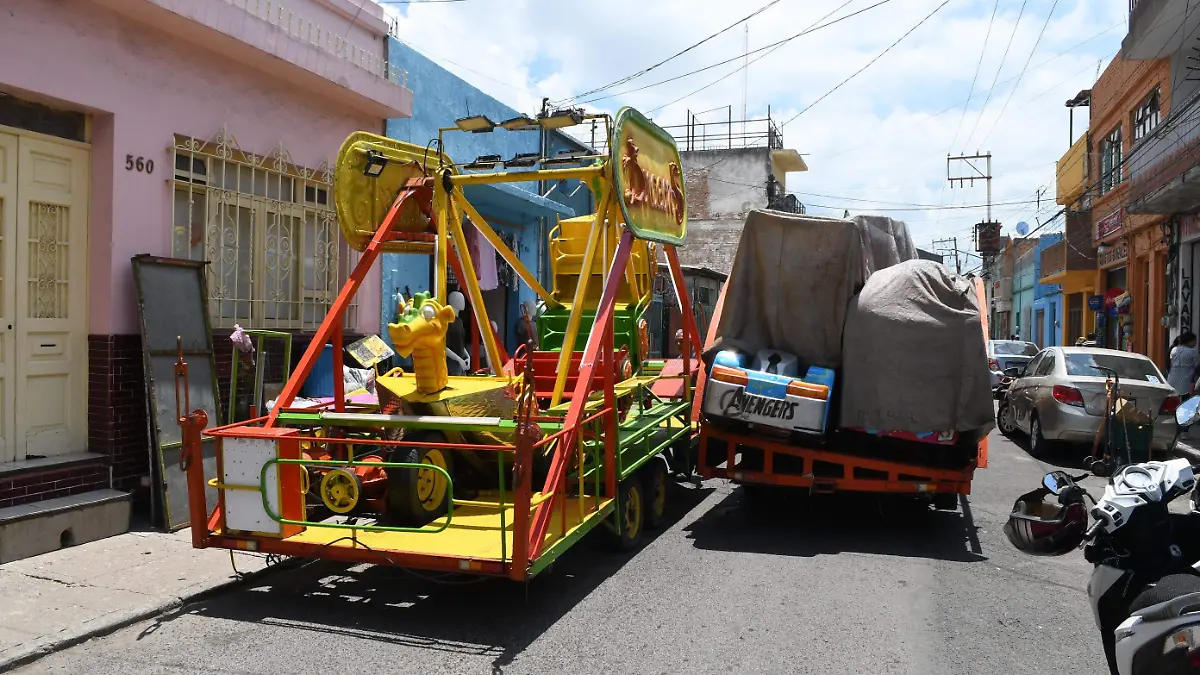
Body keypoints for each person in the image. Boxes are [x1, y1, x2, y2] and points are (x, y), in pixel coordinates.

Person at [1167, 331, 1199, 397]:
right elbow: (1198, 368)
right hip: (1186, 384)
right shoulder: (1193, 352)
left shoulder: (1174, 349)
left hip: (1171, 381)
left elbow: (1170, 364)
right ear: (1190, 341)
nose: (1195, 343)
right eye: (1195, 341)